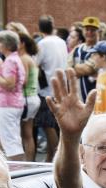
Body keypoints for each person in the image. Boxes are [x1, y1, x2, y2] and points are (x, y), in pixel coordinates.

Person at [36, 15, 68, 162]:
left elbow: (36, 63)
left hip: (47, 90)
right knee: (55, 125)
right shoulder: (61, 41)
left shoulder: (42, 43)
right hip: (62, 88)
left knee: (48, 125)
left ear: (40, 28)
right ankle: (51, 157)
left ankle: (55, 157)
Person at [0, 30, 26, 161]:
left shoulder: (10, 61)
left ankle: (17, 172)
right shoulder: (15, 59)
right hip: (12, 103)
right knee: (12, 140)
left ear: (5, 45)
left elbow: (9, 84)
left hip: (7, 104)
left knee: (11, 142)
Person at [18, 32, 40, 162]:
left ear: (22, 44)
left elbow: (23, 80)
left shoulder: (24, 58)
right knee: (28, 133)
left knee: (26, 134)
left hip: (27, 98)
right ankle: (29, 161)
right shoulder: (29, 58)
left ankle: (28, 162)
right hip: (32, 97)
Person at [70, 17, 99, 102]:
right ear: (83, 31)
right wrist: (81, 69)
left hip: (96, 97)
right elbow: (68, 70)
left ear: (98, 32)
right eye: (87, 29)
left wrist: (75, 68)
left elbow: (89, 69)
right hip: (78, 97)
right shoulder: (77, 49)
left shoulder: (101, 49)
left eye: (93, 30)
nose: (89, 32)